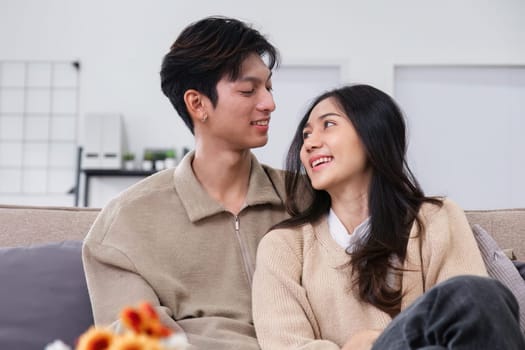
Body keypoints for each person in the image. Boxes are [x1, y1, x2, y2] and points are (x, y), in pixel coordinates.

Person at [252, 84, 525, 349]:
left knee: (477, 294)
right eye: (306, 134)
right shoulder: (283, 245)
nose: (309, 143)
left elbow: (471, 319)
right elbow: (286, 344)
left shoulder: (436, 218)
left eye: (329, 124)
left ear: (373, 134)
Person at [82, 16, 289, 349]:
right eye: (249, 90)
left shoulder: (305, 198)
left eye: (268, 88)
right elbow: (138, 339)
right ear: (197, 103)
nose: (269, 103)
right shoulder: (126, 223)